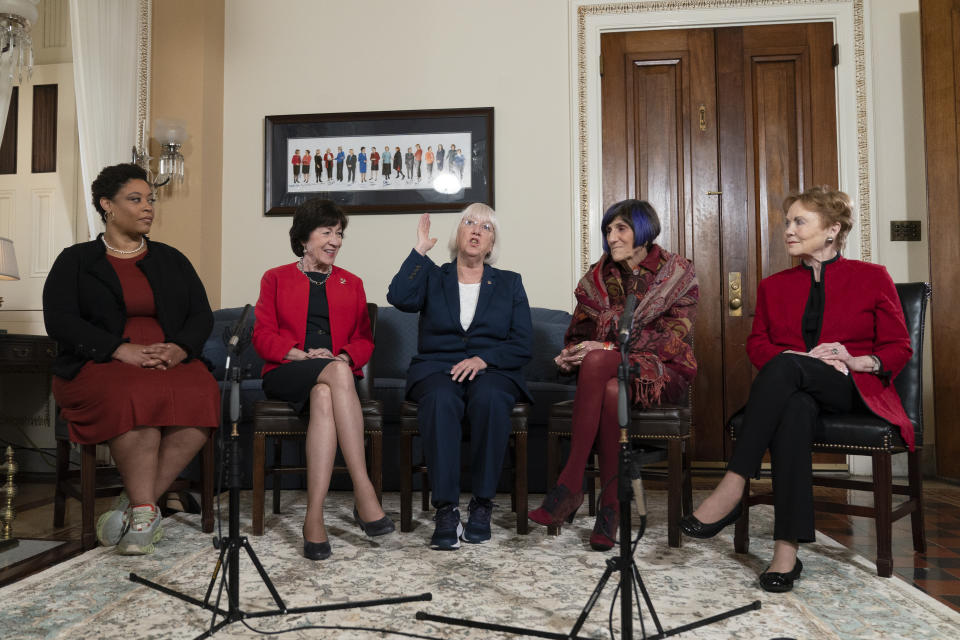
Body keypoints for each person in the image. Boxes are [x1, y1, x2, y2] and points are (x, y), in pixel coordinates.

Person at [680, 186, 913, 593]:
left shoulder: (872, 278)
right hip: (795, 390)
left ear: (832, 230)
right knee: (793, 408)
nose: (788, 230)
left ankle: (734, 483)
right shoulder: (774, 286)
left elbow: (899, 347)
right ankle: (786, 554)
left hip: (851, 388)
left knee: (789, 366)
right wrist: (800, 358)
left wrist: (854, 360)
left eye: (799, 222)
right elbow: (757, 345)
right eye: (787, 222)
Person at [43, 163, 220, 555]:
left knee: (203, 392)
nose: (148, 208)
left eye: (150, 200)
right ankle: (144, 510)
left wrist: (180, 349)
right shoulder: (75, 261)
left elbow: (201, 315)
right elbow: (59, 320)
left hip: (168, 358)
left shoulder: (172, 259)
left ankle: (135, 506)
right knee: (135, 393)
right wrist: (119, 350)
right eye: (136, 199)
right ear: (107, 205)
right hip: (99, 363)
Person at [528, 199, 698, 551]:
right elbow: (578, 336)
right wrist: (570, 354)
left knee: (600, 363)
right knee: (608, 389)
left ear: (644, 231)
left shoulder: (677, 273)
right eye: (608, 230)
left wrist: (609, 344)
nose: (612, 237)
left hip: (661, 371)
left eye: (621, 229)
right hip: (607, 375)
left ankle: (570, 482)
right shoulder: (597, 277)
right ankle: (610, 512)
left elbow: (674, 340)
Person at [253, 198, 394, 561]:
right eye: (326, 232)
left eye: (340, 233)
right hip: (286, 370)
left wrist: (342, 356)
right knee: (334, 373)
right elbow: (262, 335)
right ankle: (364, 492)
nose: (335, 240)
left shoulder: (353, 283)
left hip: (333, 375)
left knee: (324, 394)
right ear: (304, 238)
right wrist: (301, 354)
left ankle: (313, 517)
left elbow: (364, 338)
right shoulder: (275, 278)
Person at [387, 205, 533, 550]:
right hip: (438, 367)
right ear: (459, 234)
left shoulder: (510, 283)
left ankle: (482, 504)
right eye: (469, 223)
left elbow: (522, 343)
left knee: (491, 397)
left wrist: (483, 359)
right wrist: (419, 252)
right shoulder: (434, 276)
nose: (476, 230)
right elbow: (398, 297)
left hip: (492, 369)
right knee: (440, 399)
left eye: (485, 226)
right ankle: (446, 509)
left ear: (491, 240)